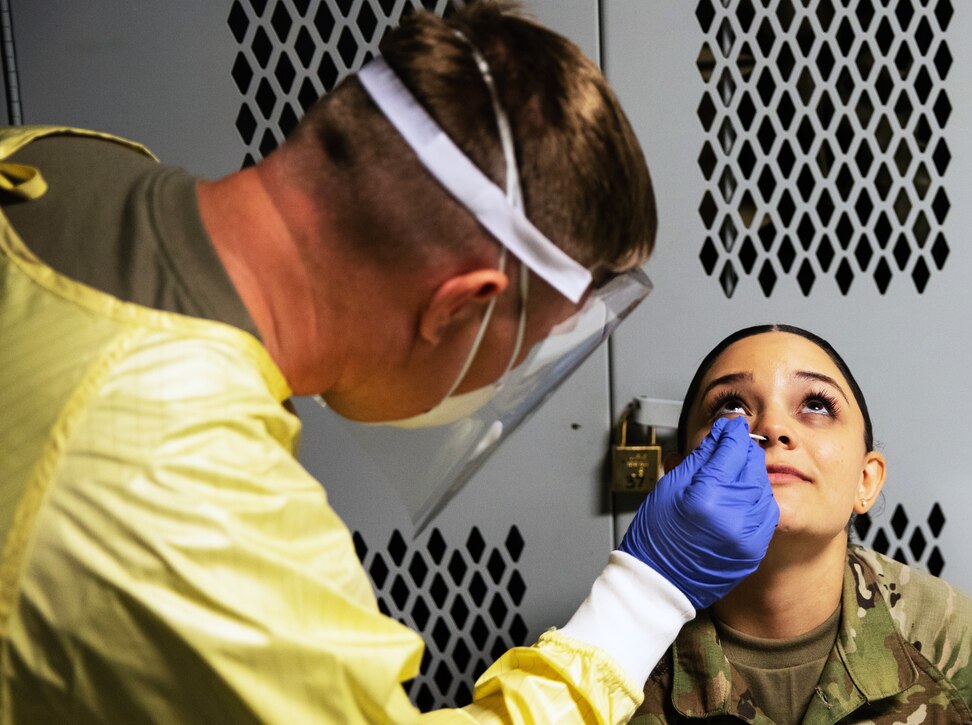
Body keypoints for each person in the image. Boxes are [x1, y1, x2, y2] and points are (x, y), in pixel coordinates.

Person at [0, 2, 780, 722]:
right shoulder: (187, 487)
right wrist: (645, 596)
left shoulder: (56, 162)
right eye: (533, 344)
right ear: (459, 306)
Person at [631, 324, 972, 724]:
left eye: (817, 406)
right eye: (731, 406)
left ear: (866, 480)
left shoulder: (961, 647)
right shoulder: (616, 653)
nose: (771, 427)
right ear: (676, 477)